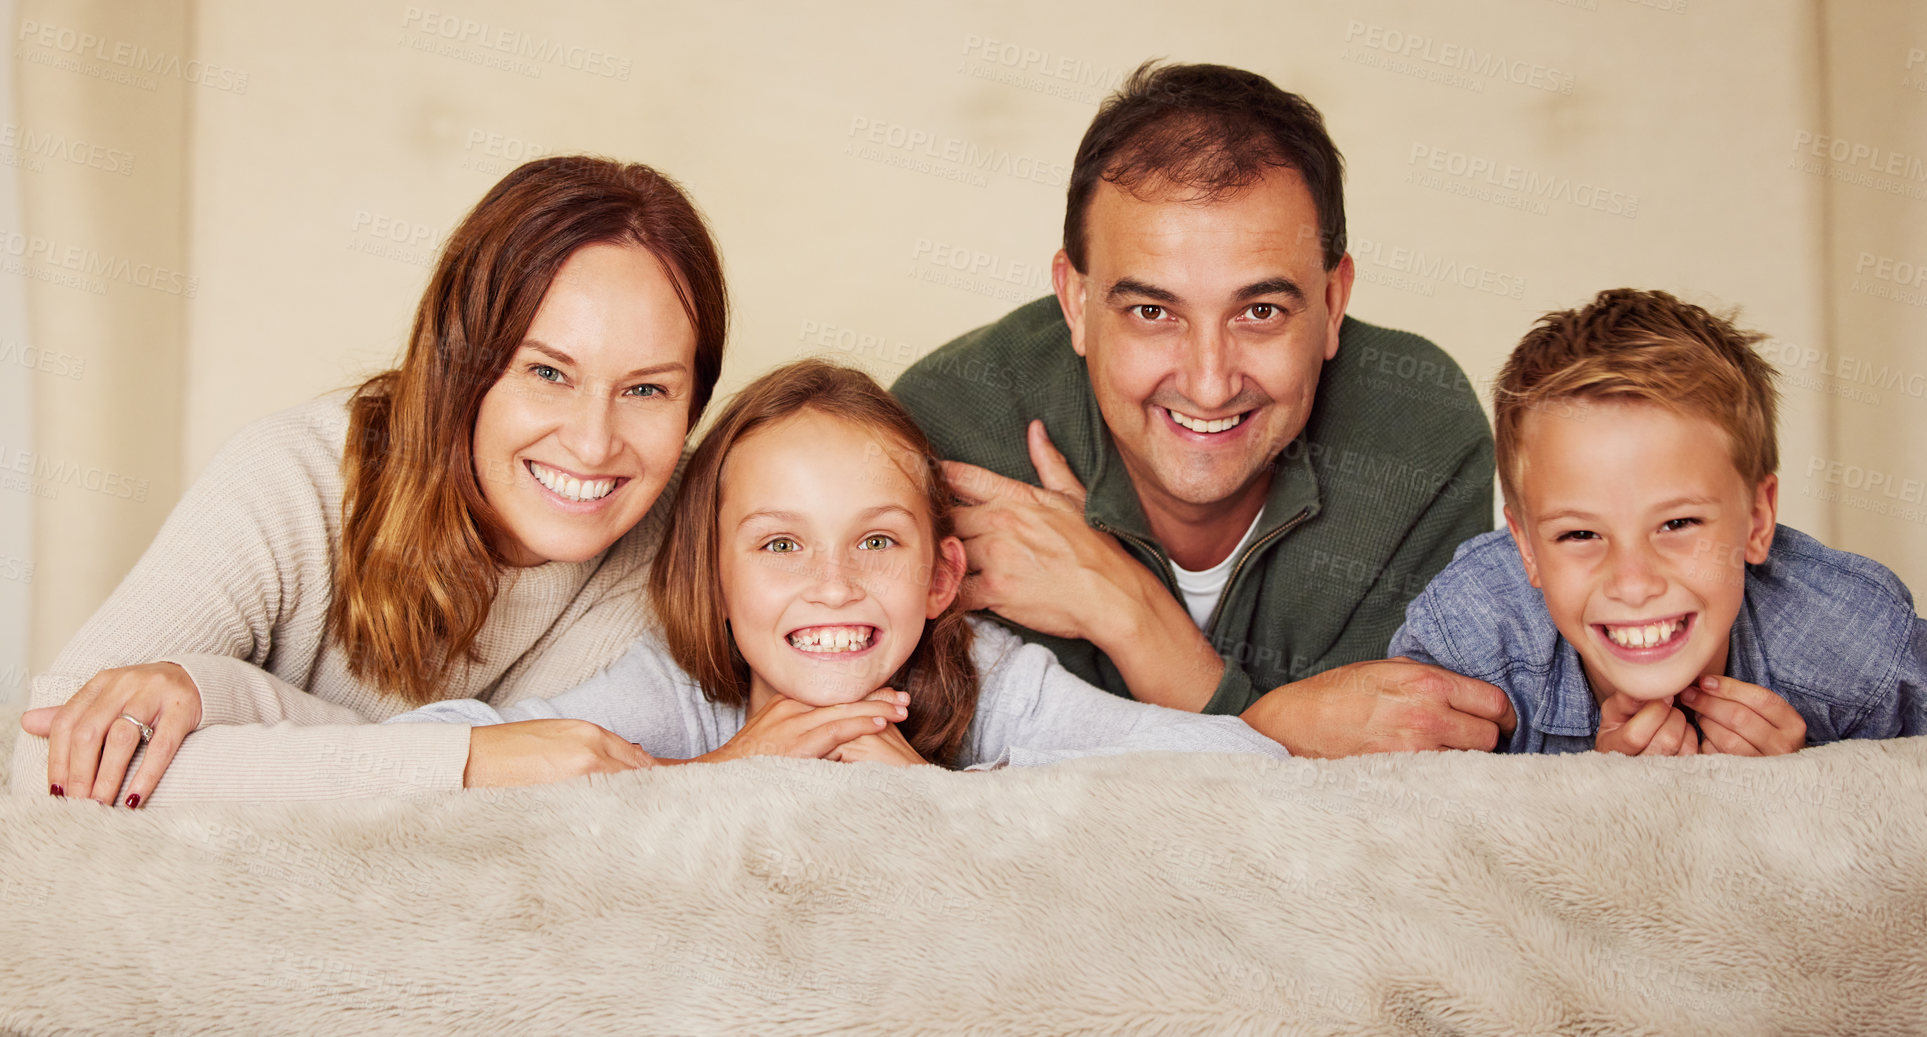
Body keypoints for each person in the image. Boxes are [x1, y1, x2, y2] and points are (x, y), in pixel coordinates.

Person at [13, 155, 729, 805]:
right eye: (547, 372)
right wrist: (473, 756)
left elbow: (551, 804)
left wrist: (226, 709)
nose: (593, 441)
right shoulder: (298, 478)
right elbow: (49, 757)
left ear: (692, 402)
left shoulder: (683, 537)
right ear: (461, 365)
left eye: (647, 390)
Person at [891, 61, 1512, 757]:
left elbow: (1399, 795)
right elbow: (931, 773)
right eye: (1152, 311)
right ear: (1074, 301)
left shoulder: (1417, 431)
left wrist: (1124, 608)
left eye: (1260, 311)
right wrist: (1280, 732)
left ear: (1334, 304)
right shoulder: (944, 425)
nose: (1210, 384)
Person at [389, 360, 1289, 770]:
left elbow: (1236, 764)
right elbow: (426, 757)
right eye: (781, 545)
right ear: (716, 577)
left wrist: (929, 807)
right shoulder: (679, 694)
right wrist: (722, 772)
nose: (832, 585)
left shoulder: (994, 685)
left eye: (877, 541)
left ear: (941, 578)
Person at [1388, 289, 1927, 754]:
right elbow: (1392, 811)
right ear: (1526, 547)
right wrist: (1592, 792)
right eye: (1580, 534)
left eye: (1677, 524)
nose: (1634, 583)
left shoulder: (1853, 644)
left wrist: (1809, 777)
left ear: (1758, 520)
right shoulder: (1472, 637)